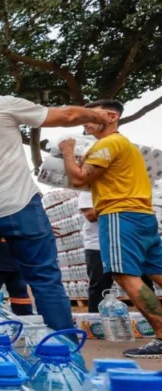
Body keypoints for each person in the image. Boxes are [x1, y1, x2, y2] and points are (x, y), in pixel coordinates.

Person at [0, 64, 114, 331]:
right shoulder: (0, 105)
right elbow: (68, 114)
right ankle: (65, 351)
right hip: (17, 205)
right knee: (44, 279)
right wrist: (94, 114)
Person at [61, 99, 162, 357]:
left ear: (111, 116)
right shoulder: (125, 146)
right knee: (155, 273)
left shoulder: (108, 144)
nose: (85, 121)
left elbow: (78, 177)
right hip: (142, 215)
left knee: (124, 275)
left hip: (119, 215)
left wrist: (67, 150)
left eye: (90, 116)